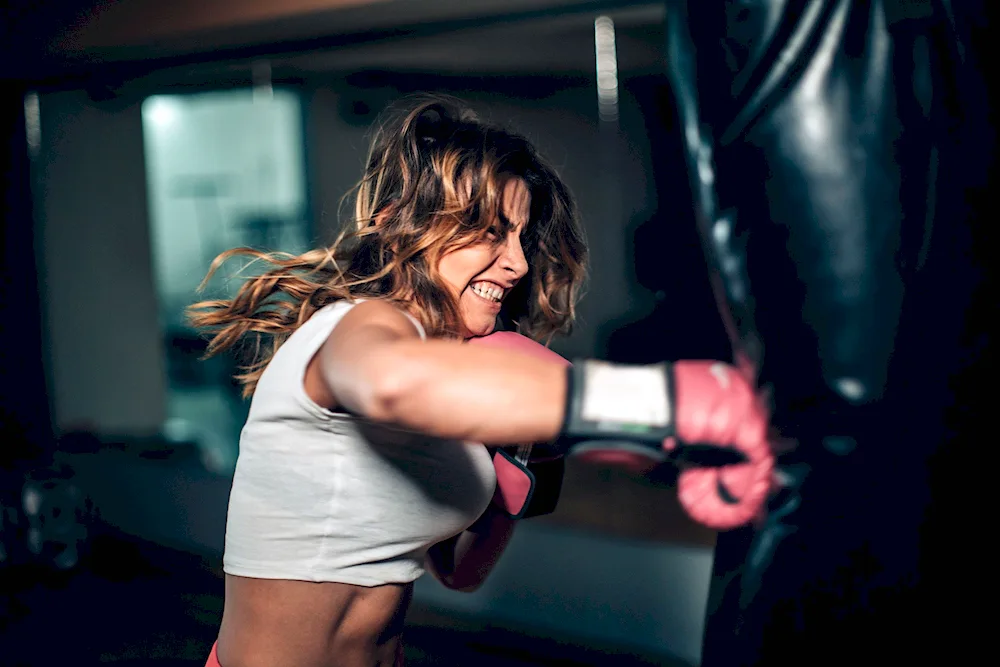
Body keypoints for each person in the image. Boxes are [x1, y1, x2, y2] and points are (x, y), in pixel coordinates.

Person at [189, 95, 772, 667]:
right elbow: (390, 382)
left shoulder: (450, 375)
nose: (517, 262)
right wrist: (660, 403)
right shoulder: (361, 326)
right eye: (490, 231)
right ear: (396, 226)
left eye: (520, 236)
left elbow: (459, 572)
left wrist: (523, 479)